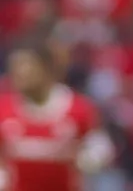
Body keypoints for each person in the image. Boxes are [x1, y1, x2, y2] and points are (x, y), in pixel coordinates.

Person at [0, 40, 113, 191]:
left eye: (26, 66)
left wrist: (89, 160)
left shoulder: (79, 109)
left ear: (46, 68)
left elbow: (101, 147)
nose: (20, 74)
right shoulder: (3, 109)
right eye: (15, 68)